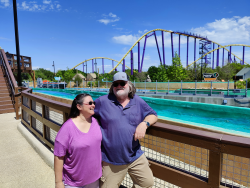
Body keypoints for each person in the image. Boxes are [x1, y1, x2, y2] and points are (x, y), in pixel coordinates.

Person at [94, 72, 158, 188]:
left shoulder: (137, 101)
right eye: (116, 84)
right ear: (112, 86)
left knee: (147, 183)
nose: (119, 86)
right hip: (111, 159)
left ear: (129, 85)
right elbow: (86, 113)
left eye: (122, 83)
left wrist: (144, 124)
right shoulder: (102, 101)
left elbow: (153, 115)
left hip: (135, 156)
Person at [54, 93, 102, 188]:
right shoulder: (67, 128)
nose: (93, 105)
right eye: (90, 103)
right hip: (74, 183)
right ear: (79, 106)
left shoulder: (96, 122)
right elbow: (59, 156)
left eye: (94, 102)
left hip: (95, 180)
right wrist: (58, 182)